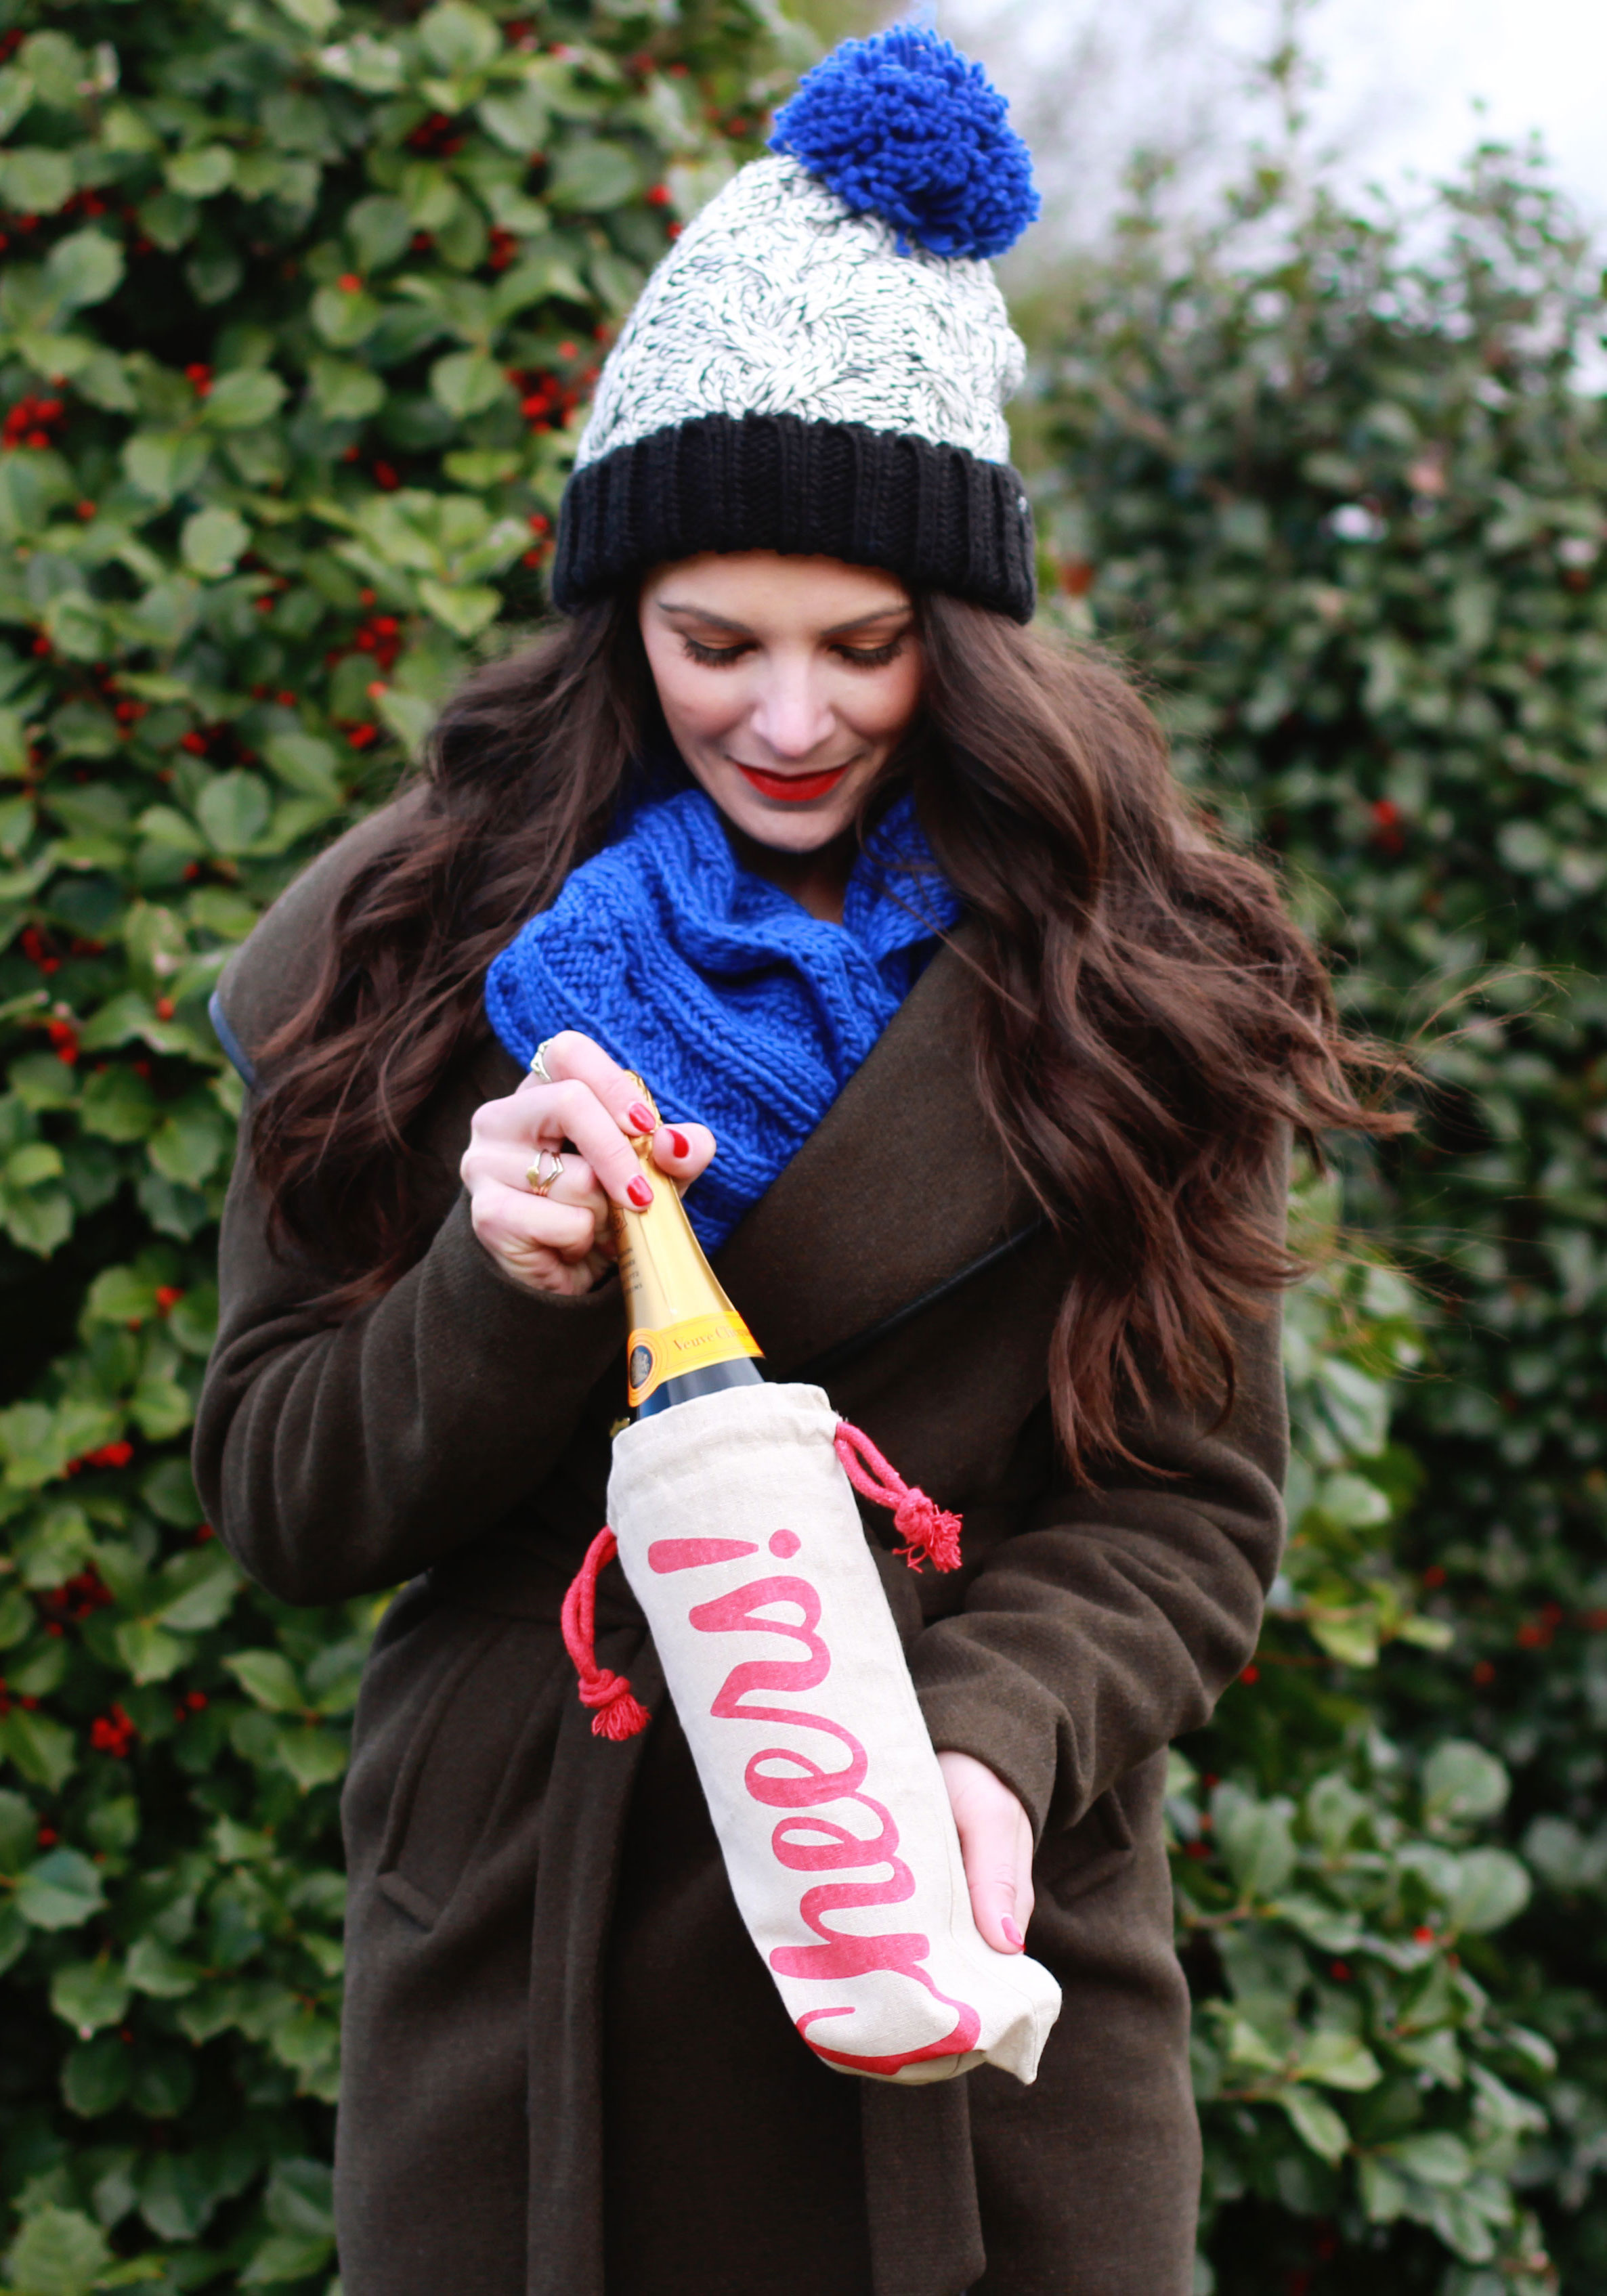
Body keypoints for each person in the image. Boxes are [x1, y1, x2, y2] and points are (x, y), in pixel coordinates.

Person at [194, 29, 1392, 2296]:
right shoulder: (401, 947)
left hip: (960, 1974)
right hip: (527, 2008)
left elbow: (1190, 1507)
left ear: (970, 635)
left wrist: (979, 1743)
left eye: (869, 650)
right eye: (711, 642)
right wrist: (497, 1288)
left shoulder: (1129, 964)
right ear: (613, 621)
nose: (789, 716)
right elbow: (281, 1492)